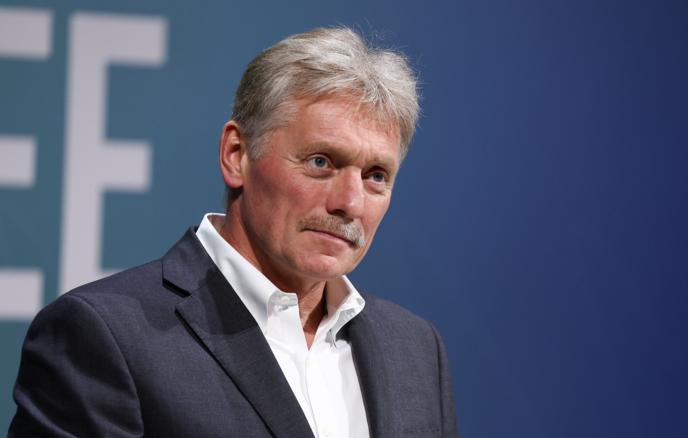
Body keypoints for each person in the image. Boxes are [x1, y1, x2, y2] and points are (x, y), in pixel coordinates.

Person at [9, 27, 458, 438]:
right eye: (321, 162)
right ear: (236, 154)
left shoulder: (415, 351)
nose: (351, 202)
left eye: (376, 176)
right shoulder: (105, 337)